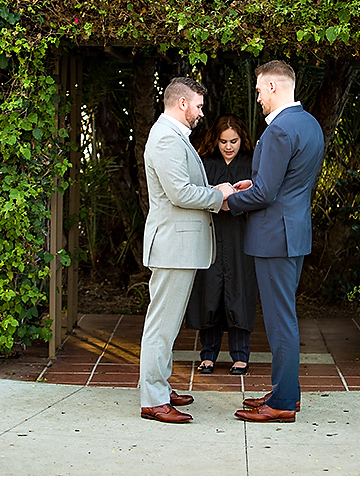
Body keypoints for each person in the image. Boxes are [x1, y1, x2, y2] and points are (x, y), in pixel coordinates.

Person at [225, 60, 324, 423]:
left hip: (274, 237)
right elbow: (289, 184)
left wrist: (227, 201)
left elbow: (266, 193)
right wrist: (254, 187)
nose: (257, 98)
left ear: (272, 87)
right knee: (285, 317)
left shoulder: (280, 130)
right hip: (292, 231)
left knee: (281, 321)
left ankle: (282, 403)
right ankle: (287, 392)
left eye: (258, 91)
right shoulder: (310, 124)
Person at [138, 77, 236, 424]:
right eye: (198, 105)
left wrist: (219, 189)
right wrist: (219, 196)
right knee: (161, 325)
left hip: (178, 246)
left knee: (169, 322)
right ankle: (153, 399)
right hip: (172, 246)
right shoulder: (166, 138)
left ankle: (160, 387)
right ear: (182, 104)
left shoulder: (175, 137)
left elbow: (185, 187)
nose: (201, 111)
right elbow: (179, 193)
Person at [185, 115, 257, 376]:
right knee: (210, 293)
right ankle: (208, 354)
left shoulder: (251, 164)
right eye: (223, 141)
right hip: (212, 235)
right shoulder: (205, 163)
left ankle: (240, 355)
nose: (229, 146)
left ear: (242, 140)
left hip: (241, 237)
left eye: (234, 141)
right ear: (215, 140)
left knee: (240, 292)